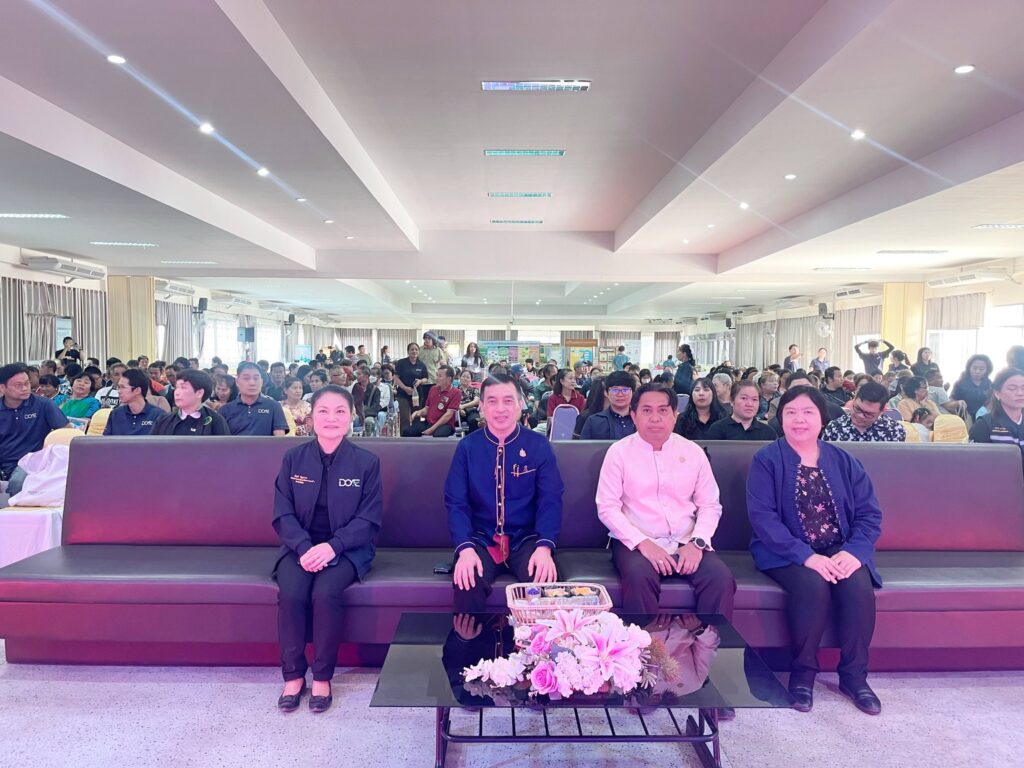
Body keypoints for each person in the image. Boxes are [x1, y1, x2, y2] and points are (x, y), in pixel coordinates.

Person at [747, 386, 883, 716]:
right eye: (791, 412)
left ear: (822, 418)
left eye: (808, 412)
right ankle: (802, 674)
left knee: (857, 586)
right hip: (785, 551)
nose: (799, 419)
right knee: (812, 586)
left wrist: (854, 553)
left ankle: (854, 677)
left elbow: (869, 514)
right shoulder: (767, 459)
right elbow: (763, 518)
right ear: (780, 418)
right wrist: (807, 557)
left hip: (840, 547)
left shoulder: (844, 460)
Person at [273, 385, 383, 713]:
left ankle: (322, 676)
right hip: (300, 547)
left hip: (348, 549)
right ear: (311, 416)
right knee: (292, 594)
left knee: (325, 593)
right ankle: (293, 675)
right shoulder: (294, 458)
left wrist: (333, 547)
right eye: (323, 411)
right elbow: (282, 514)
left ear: (351, 417)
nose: (331, 418)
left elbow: (369, 519)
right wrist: (305, 547)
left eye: (340, 411)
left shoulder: (366, 462)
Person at [597, 383, 736, 619]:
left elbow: (710, 505)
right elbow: (607, 507)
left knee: (720, 579)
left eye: (663, 410)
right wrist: (643, 543)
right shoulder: (618, 453)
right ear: (634, 416)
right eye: (646, 410)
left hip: (686, 539)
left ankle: (709, 641)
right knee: (639, 578)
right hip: (636, 542)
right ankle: (642, 643)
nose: (655, 418)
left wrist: (697, 543)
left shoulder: (692, 452)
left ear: (674, 416)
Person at [444, 374, 564, 612]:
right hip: (481, 539)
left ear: (520, 404)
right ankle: (469, 636)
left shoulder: (538, 445)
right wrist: (465, 548)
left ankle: (535, 639)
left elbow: (550, 500)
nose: (500, 409)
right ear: (481, 406)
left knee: (544, 584)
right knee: (467, 581)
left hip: (526, 539)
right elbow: (456, 503)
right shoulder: (468, 447)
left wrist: (544, 547)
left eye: (508, 401)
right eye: (492, 401)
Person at [0, 363, 69, 495]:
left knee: (18, 483)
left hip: (32, 462)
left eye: (27, 383)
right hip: (4, 462)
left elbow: (67, 432)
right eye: (18, 385)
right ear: (2, 388)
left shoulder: (43, 405)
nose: (25, 388)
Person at [150, 369, 231, 436]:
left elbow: (225, 449)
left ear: (199, 393)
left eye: (183, 388)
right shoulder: (163, 420)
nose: (177, 392)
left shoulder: (216, 421)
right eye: (177, 388)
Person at [220, 362, 289, 436]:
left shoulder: (274, 406)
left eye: (256, 378)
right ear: (237, 382)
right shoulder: (225, 410)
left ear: (261, 382)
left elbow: (279, 439)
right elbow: (220, 440)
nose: (252, 383)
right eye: (246, 378)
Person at [968, 368, 1024, 459]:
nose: (1020, 393)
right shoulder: (984, 425)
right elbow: (975, 461)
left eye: (1023, 388)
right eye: (1012, 388)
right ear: (997, 393)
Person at [823, 382, 906, 442]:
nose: (860, 416)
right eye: (857, 409)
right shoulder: (835, 427)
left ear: (881, 412)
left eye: (868, 414)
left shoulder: (894, 430)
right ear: (854, 400)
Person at [706, 381, 777, 441]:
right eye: (744, 398)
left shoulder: (768, 433)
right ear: (732, 400)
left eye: (754, 399)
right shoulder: (717, 429)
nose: (749, 404)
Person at [402, 365, 460, 437]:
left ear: (449, 378)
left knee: (438, 435)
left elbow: (448, 415)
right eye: (437, 375)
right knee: (407, 432)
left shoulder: (456, 392)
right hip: (429, 422)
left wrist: (432, 429)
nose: (437, 378)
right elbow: (427, 409)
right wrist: (418, 412)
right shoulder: (433, 389)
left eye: (440, 376)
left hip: (445, 425)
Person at [103, 369, 164, 436]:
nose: (119, 391)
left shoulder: (159, 416)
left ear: (137, 390)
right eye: (118, 387)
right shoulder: (115, 414)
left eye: (123, 387)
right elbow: (107, 441)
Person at [580, 371, 637, 440]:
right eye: (615, 390)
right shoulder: (594, 421)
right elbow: (583, 446)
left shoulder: (641, 419)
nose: (620, 394)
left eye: (625, 390)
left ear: (633, 393)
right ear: (606, 393)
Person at [394, 342, 429, 427]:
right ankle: (404, 433)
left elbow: (426, 378)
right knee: (404, 416)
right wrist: (405, 388)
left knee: (416, 415)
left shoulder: (421, 365)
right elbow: (395, 377)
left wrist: (420, 381)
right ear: (408, 351)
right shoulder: (401, 363)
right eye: (412, 349)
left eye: (416, 349)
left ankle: (415, 433)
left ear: (419, 351)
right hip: (403, 393)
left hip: (417, 395)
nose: (414, 351)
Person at [951, 354, 994, 421]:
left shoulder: (989, 384)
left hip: (983, 418)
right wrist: (958, 403)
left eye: (981, 369)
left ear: (987, 370)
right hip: (964, 418)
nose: (977, 371)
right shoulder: (960, 383)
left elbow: (992, 403)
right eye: (974, 368)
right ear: (969, 368)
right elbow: (951, 401)